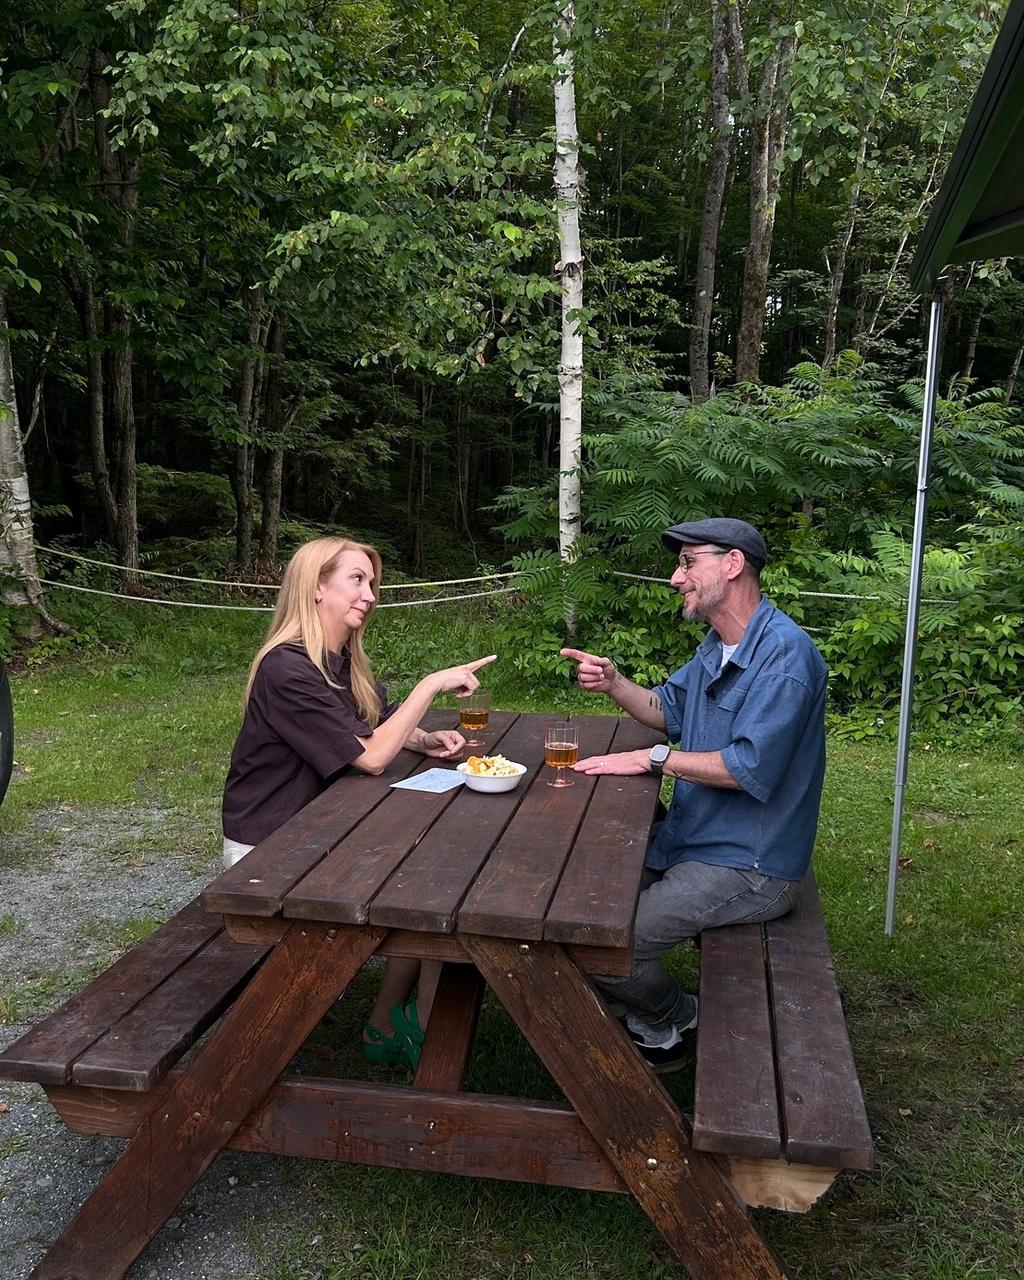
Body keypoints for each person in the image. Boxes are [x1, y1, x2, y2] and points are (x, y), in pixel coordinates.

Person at [560, 517, 827, 1072]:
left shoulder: (786, 658)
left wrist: (650, 759)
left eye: (687, 563)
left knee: (603, 942)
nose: (675, 578)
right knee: (573, 899)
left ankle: (672, 1017)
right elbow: (666, 711)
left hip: (750, 865)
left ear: (731, 566)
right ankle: (654, 1015)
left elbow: (750, 767)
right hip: (696, 840)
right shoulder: (721, 644)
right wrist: (614, 682)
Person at [222, 535, 496, 1070]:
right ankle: (428, 1029)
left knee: (431, 872)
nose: (370, 594)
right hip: (270, 848)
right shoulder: (286, 668)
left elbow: (368, 725)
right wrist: (430, 686)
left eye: (372, 582)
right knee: (432, 885)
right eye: (356, 579)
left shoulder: (337, 659)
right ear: (316, 587)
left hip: (325, 826)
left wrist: (422, 739)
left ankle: (389, 1021)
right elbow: (370, 759)